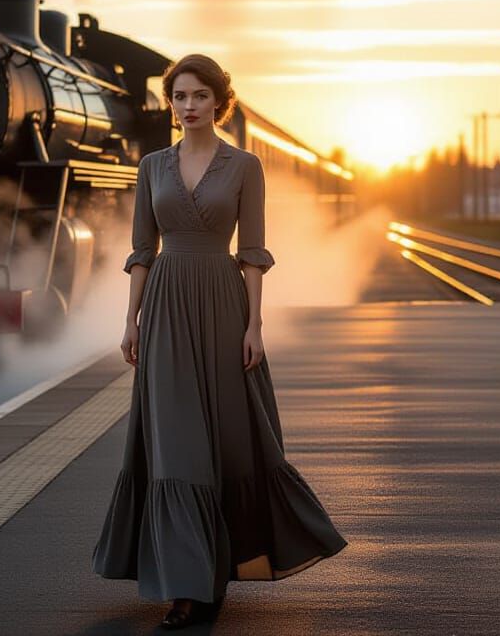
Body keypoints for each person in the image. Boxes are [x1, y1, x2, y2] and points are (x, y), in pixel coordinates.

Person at [92, 54, 347, 630]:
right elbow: (141, 252)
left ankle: (215, 571)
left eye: (199, 96)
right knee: (177, 446)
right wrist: (131, 321)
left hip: (224, 307)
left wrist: (254, 326)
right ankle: (188, 587)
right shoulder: (151, 165)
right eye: (179, 96)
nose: (187, 106)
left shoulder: (245, 165)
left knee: (230, 440)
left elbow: (253, 253)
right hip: (164, 310)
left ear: (218, 102)